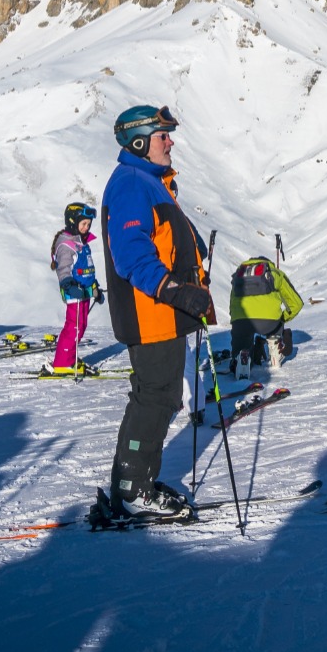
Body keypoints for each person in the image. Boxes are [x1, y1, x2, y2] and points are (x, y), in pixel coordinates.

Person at [101, 105, 212, 520]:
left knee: (157, 398)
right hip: (151, 313)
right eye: (163, 136)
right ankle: (133, 493)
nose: (171, 142)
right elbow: (131, 254)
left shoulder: (150, 183)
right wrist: (175, 291)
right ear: (139, 142)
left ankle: (133, 484)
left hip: (162, 313)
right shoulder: (132, 184)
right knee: (155, 399)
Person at [45, 202, 102, 375]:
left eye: (89, 224)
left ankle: (69, 356)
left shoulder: (82, 243)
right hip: (74, 292)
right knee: (74, 327)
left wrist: (95, 286)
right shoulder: (67, 245)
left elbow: (88, 268)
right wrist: (69, 285)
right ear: (72, 222)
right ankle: (62, 362)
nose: (87, 227)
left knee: (81, 325)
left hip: (84, 292)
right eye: (84, 223)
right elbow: (63, 269)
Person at [228, 254, 302, 376]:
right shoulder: (274, 273)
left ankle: (242, 357)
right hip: (269, 322)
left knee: (242, 342)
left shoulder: (238, 275)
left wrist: (237, 322)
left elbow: (232, 307)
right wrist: (282, 318)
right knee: (275, 328)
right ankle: (275, 350)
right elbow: (296, 303)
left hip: (241, 321)